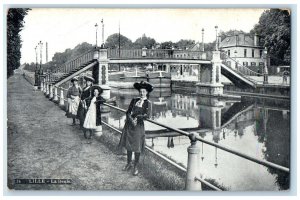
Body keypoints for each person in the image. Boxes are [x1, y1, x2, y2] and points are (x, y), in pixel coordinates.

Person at [118, 81, 153, 176]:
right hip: (129, 125)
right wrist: (131, 119)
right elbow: (128, 112)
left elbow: (148, 116)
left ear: (147, 93)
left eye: (144, 92)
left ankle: (135, 166)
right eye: (141, 91)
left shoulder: (148, 103)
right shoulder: (134, 100)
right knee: (129, 145)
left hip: (139, 127)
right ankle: (129, 163)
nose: (142, 93)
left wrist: (138, 118)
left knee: (137, 147)